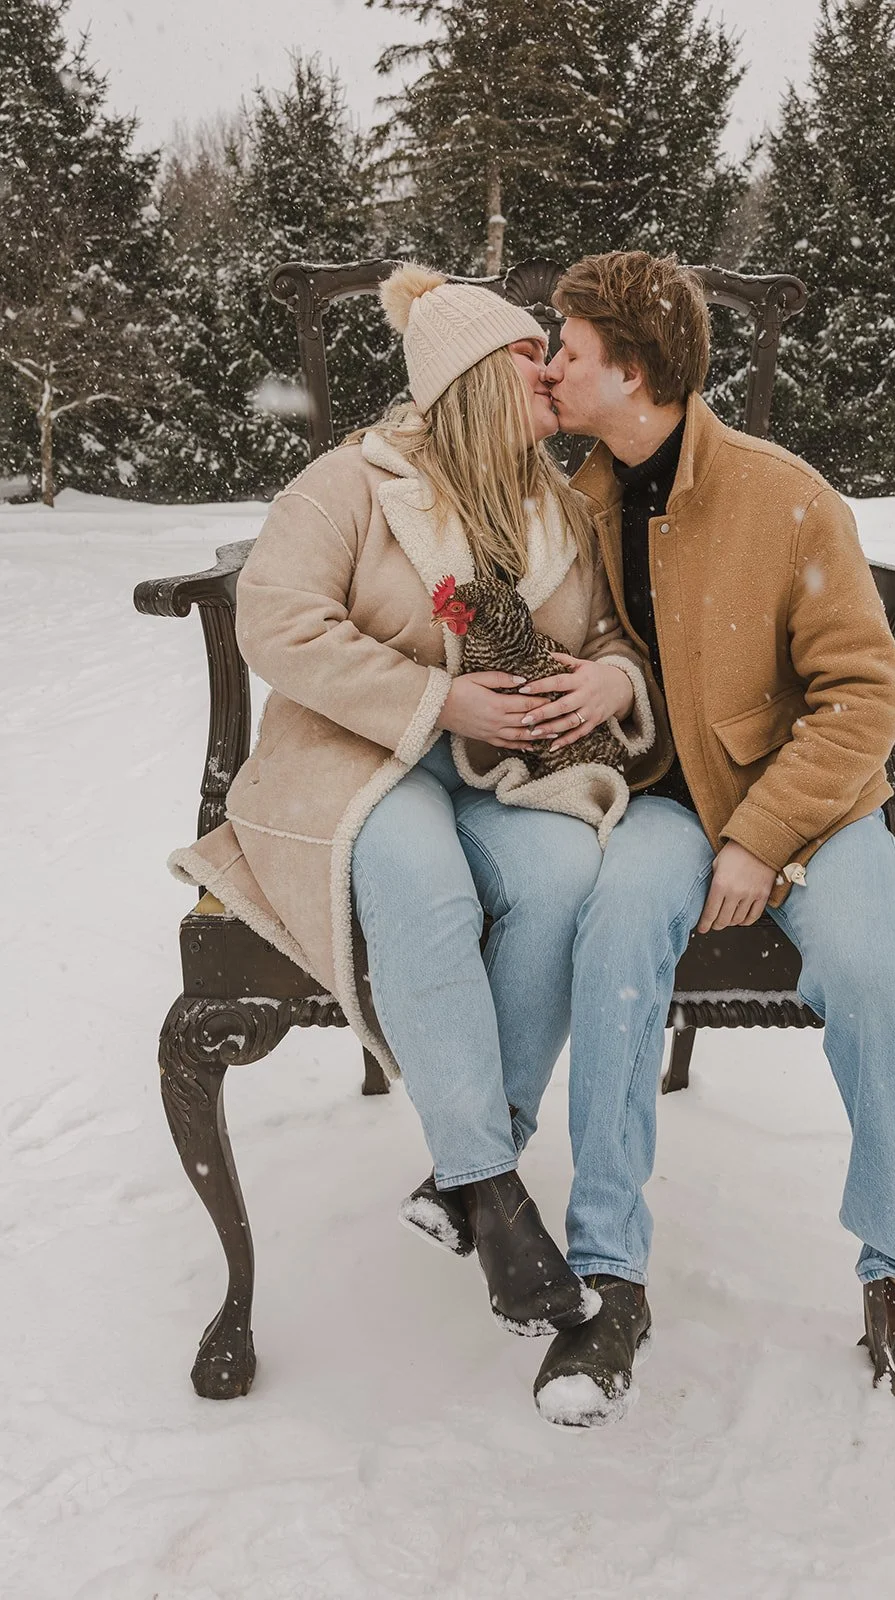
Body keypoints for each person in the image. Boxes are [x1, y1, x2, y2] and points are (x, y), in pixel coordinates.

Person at [515, 249, 895, 1496]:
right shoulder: (583, 491)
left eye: (565, 346)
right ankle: (609, 1277)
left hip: (815, 809)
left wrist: (763, 837)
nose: (550, 362)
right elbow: (605, 629)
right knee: (618, 936)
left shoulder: (783, 495)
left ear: (632, 368)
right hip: (674, 803)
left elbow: (860, 696)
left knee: (868, 972)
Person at [169, 262, 666, 1342]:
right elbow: (279, 621)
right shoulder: (352, 484)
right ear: (475, 376)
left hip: (511, 773)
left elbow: (615, 635)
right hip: (362, 760)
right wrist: (438, 699)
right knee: (423, 883)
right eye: (526, 356)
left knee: (563, 874)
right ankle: (493, 1187)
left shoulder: (560, 506)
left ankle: (459, 1171)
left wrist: (611, 679)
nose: (548, 370)